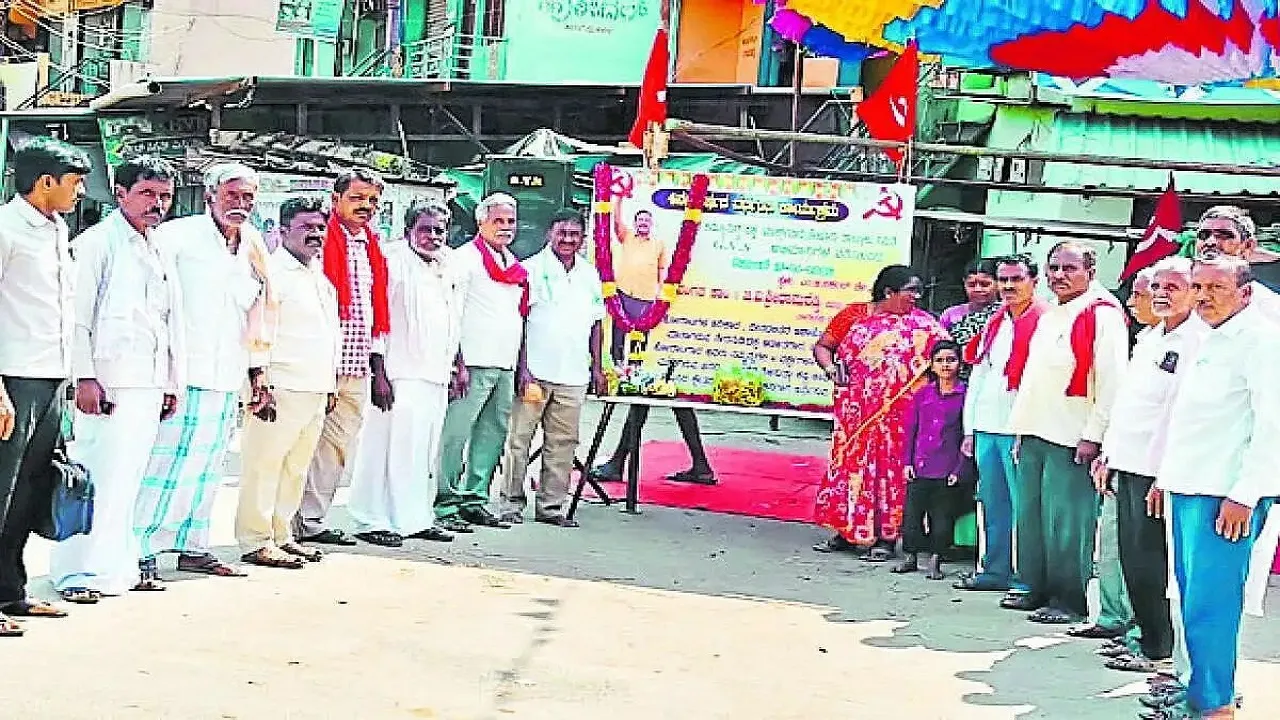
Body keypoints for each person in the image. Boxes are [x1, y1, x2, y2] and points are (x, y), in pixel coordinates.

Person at [50, 156, 185, 599]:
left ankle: (115, 570)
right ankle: (76, 575)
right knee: (92, 481)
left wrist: (171, 383)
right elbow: (77, 318)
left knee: (128, 482)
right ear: (120, 192)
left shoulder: (160, 245)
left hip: (148, 382)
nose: (157, 204)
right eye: (147, 193)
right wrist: (84, 378)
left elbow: (170, 323)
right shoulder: (96, 244)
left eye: (164, 196)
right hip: (107, 384)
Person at [1153, 256, 1280, 720]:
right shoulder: (1207, 337)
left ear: (1245, 293)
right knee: (1190, 601)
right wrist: (1165, 480)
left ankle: (1216, 707)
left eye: (1216, 288)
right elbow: (1194, 422)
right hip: (1188, 486)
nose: (1204, 296)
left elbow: (1274, 428)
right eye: (1199, 287)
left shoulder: (1263, 342)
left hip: (1225, 497)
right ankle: (1200, 696)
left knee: (1213, 606)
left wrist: (1245, 495)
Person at [134, 162, 272, 582]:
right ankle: (140, 551)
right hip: (181, 373)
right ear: (210, 195)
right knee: (163, 466)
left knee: (208, 468)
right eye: (232, 195)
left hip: (227, 374)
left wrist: (257, 372)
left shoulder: (252, 244)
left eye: (248, 197)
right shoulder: (178, 237)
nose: (241, 204)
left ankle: (193, 547)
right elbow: (154, 303)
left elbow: (258, 313)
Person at [1003, 241, 1129, 625]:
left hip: (1073, 437)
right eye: (1054, 267)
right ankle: (1033, 586)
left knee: (1067, 524)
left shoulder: (1102, 315)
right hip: (1036, 430)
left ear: (1091, 273)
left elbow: (1112, 382)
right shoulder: (1050, 313)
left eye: (1069, 269)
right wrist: (1022, 430)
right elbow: (1034, 380)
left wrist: (1094, 436)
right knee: (1031, 517)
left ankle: (1068, 598)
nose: (1059, 276)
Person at [1089, 258, 1201, 676]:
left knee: (1156, 565)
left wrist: (1164, 474)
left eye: (1174, 285)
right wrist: (1109, 455)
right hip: (1129, 465)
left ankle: (1160, 650)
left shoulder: (1195, 342)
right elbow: (1129, 405)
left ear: (1193, 291)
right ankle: (1148, 644)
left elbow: (1176, 416)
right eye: (1157, 285)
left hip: (1160, 473)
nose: (1162, 293)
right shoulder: (1150, 337)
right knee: (1134, 560)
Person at [0, 137, 91, 635]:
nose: (80, 191)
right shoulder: (6, 227)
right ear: (45, 182)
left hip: (51, 377)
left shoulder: (56, 230)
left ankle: (11, 593)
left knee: (30, 491)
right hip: (12, 378)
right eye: (74, 182)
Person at [812, 265, 949, 560]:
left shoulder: (926, 327)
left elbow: (944, 363)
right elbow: (824, 347)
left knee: (889, 475)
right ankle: (847, 532)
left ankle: (885, 538)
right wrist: (830, 368)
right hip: (856, 416)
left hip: (899, 419)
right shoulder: (856, 317)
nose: (917, 297)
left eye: (919, 291)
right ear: (889, 292)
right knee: (851, 470)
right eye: (911, 290)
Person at [347, 201, 462, 546]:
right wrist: (378, 371)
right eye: (425, 229)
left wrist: (459, 365)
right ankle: (372, 519)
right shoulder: (392, 260)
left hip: (435, 372)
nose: (432, 236)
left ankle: (414, 519)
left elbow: (453, 320)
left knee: (421, 450)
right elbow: (377, 318)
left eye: (439, 230)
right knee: (386, 448)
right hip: (397, 372)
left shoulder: (448, 263)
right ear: (409, 229)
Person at [234, 197, 339, 569]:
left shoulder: (319, 276)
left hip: (314, 387)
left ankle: (282, 535)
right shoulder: (272, 274)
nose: (315, 234)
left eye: (319, 228)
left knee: (295, 468)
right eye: (306, 227)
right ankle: (255, 539)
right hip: (279, 387)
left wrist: (330, 386)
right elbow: (257, 331)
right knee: (264, 465)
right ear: (281, 231)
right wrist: (259, 381)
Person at [589, 191, 714, 487]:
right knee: (659, 390)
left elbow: (666, 278)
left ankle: (621, 462)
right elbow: (617, 224)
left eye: (647, 219)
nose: (643, 224)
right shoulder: (630, 239)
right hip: (649, 323)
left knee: (654, 390)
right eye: (640, 219)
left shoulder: (662, 249)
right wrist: (618, 196)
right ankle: (698, 464)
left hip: (667, 328)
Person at [295, 168, 391, 547]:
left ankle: (313, 521)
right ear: (335, 201)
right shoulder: (319, 239)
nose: (365, 207)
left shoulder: (372, 245)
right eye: (356, 198)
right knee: (300, 443)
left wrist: (378, 367)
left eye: (371, 201)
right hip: (321, 363)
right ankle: (284, 521)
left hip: (357, 364)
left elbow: (374, 311)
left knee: (335, 448)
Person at [499, 209, 607, 528]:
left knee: (562, 444)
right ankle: (510, 504)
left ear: (583, 239)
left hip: (573, 376)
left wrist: (597, 368)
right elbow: (516, 322)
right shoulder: (529, 270)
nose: (568, 240)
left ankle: (550, 507)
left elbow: (596, 325)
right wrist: (523, 369)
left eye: (575, 235)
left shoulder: (589, 275)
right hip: (534, 374)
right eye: (562, 233)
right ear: (550, 234)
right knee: (519, 441)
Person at [954, 254, 1048, 593]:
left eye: (1016, 279)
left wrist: (1027, 429)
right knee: (992, 503)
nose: (1008, 286)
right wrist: (969, 429)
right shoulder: (995, 321)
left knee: (1024, 507)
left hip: (1019, 431)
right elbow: (979, 374)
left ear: (1034, 282)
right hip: (986, 428)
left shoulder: (1044, 322)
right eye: (1003, 280)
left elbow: (1039, 383)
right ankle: (994, 570)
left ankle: (1026, 578)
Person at [434, 193, 526, 532]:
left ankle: (475, 499)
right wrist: (456, 361)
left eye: (510, 222)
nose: (505, 228)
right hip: (471, 361)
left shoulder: (512, 262)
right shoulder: (464, 260)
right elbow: (452, 314)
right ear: (481, 222)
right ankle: (446, 502)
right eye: (498, 221)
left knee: (493, 433)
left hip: (504, 361)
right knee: (456, 434)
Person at [893, 340, 967, 580]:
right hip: (920, 465)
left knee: (942, 518)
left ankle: (935, 560)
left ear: (959, 363)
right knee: (912, 516)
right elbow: (911, 429)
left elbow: (967, 436)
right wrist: (907, 463)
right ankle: (910, 557)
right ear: (932, 365)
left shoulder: (965, 395)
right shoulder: (923, 394)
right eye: (940, 361)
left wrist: (960, 468)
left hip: (947, 469)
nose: (946, 365)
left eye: (951, 360)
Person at [939, 258, 999, 347]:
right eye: (971, 285)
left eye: (985, 284)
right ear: (964, 284)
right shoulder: (950, 315)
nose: (978, 289)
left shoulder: (1007, 313)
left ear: (998, 283)